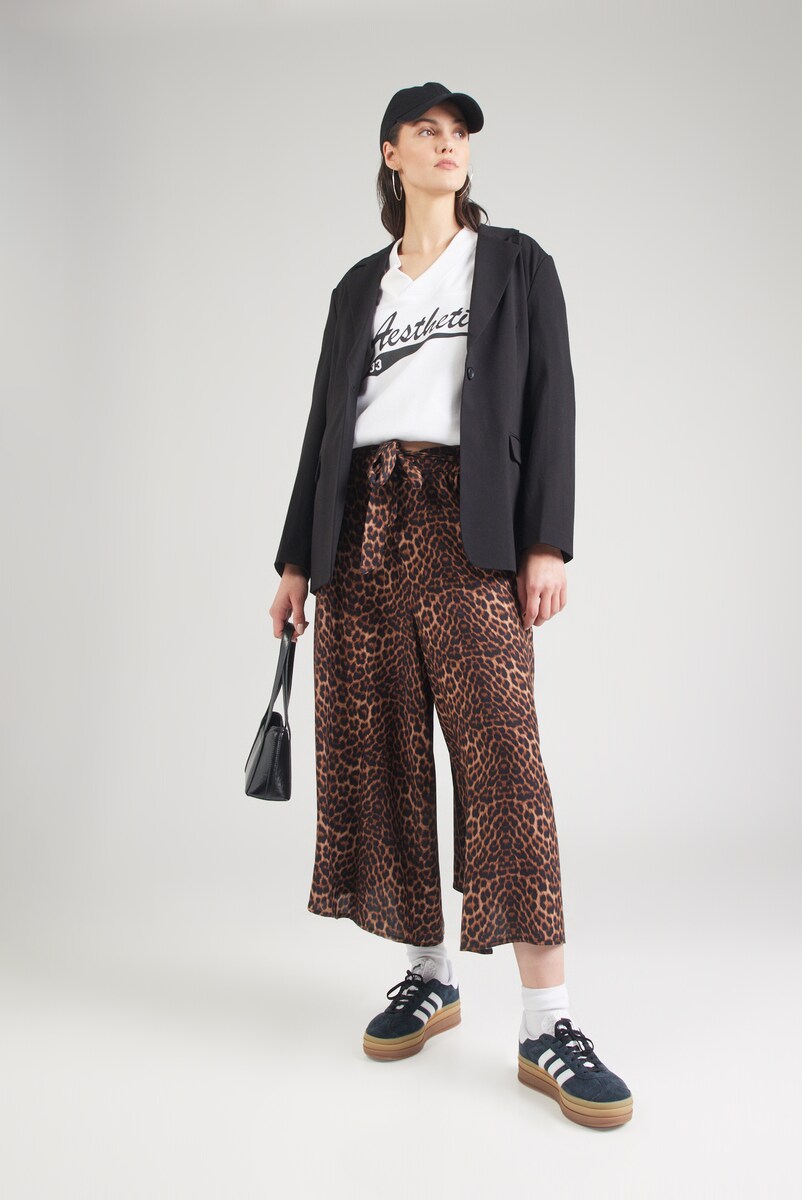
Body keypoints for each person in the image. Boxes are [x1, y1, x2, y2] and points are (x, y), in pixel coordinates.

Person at [269, 82, 632, 1128]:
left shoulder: (515, 264)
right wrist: (294, 560)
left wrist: (546, 539)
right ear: (390, 153)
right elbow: (322, 425)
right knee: (380, 755)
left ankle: (549, 1022)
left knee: (504, 762)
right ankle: (429, 974)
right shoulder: (359, 288)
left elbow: (553, 399)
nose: (448, 144)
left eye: (459, 132)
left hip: (463, 523)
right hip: (359, 530)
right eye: (427, 131)